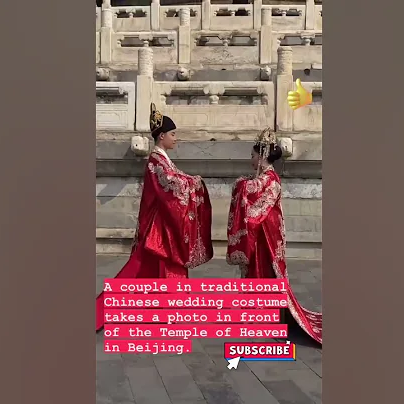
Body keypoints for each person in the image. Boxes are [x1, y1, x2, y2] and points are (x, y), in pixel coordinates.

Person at [96, 103, 213, 331]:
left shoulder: (162, 160)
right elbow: (171, 184)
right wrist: (192, 183)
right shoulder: (156, 162)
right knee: (142, 271)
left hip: (164, 226)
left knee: (150, 271)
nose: (175, 138)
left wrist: (191, 180)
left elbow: (177, 177)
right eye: (173, 134)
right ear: (161, 136)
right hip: (158, 228)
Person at [226, 128, 323, 344]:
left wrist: (241, 186)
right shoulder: (261, 179)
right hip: (261, 235)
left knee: (267, 274)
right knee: (257, 273)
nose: (251, 160)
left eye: (253, 156)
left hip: (268, 238)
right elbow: (248, 191)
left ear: (262, 157)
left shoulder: (269, 180)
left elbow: (254, 206)